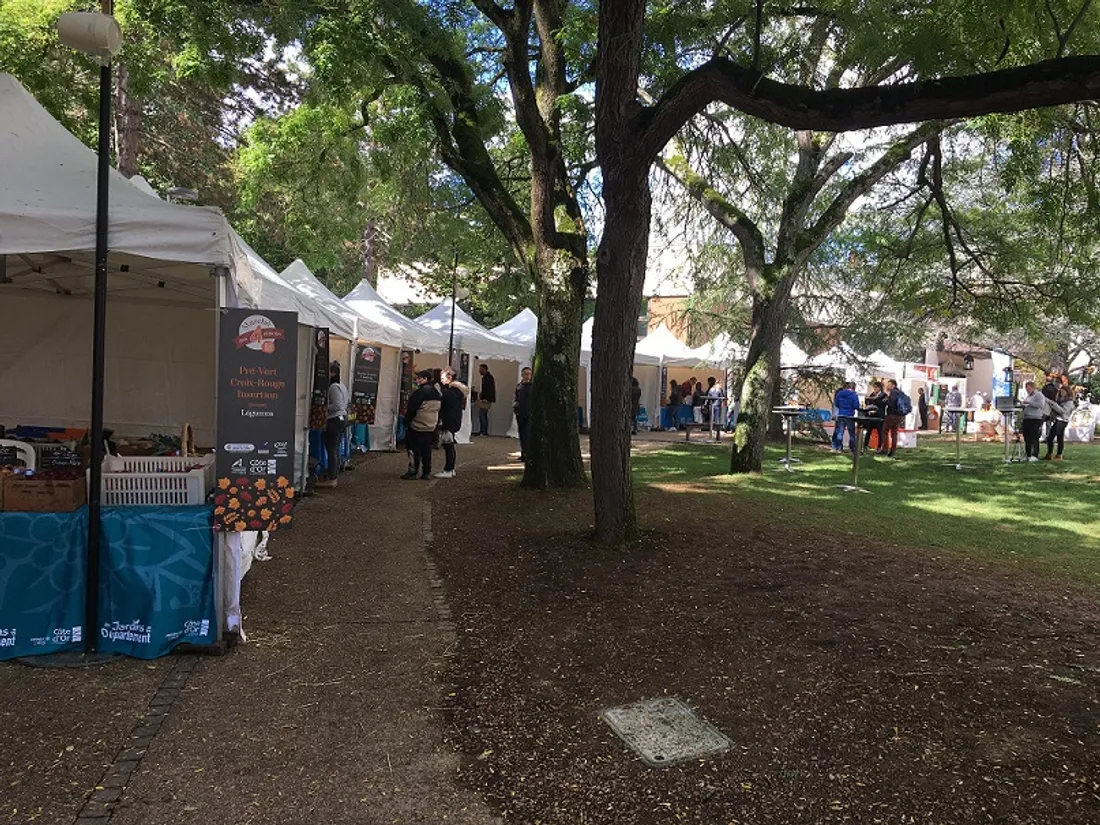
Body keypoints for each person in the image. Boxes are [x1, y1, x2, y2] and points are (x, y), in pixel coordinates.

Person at [401, 370, 442, 479]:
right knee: (426, 450)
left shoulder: (419, 392)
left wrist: (406, 421)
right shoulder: (436, 392)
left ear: (426, 379)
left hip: (417, 425)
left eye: (420, 378)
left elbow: (412, 409)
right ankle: (426, 472)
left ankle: (413, 471)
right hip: (430, 425)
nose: (417, 380)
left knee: (414, 449)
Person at [316, 361, 349, 489]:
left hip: (335, 419)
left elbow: (337, 405)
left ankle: (332, 478)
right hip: (341, 419)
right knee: (334, 449)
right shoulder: (342, 385)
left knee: (331, 450)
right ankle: (333, 473)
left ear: (333, 373)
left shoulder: (334, 387)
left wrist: (322, 407)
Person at [435, 367, 468, 478]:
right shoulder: (457, 392)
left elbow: (448, 410)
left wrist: (445, 423)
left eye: (442, 377)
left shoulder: (450, 393)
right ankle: (451, 468)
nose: (441, 380)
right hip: (454, 421)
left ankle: (448, 469)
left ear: (449, 377)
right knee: (449, 445)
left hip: (449, 422)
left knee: (448, 445)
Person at [1020, 380, 1051, 462]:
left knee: (1034, 437)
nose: (1027, 390)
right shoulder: (1029, 396)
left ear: (1033, 387)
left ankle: (1035, 455)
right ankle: (1028, 454)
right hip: (1027, 418)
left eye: (1029, 388)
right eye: (1026, 389)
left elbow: (1040, 405)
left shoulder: (1039, 395)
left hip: (1035, 418)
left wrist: (1029, 402)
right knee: (1027, 438)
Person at [1043, 383, 1075, 461]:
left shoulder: (1069, 402)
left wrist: (1053, 404)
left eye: (1064, 391)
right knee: (1050, 438)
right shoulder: (1060, 400)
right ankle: (1049, 454)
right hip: (1057, 420)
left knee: (1059, 438)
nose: (1062, 393)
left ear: (1068, 392)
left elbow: (1063, 411)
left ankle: (1059, 455)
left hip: (1062, 420)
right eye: (1061, 391)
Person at [880, 378, 907, 458]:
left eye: (889, 384)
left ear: (893, 385)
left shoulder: (893, 392)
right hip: (899, 416)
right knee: (894, 432)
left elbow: (891, 403)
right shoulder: (901, 392)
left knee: (884, 430)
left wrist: (886, 401)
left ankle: (885, 448)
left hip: (892, 414)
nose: (887, 386)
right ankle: (893, 449)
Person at [831, 381, 860, 453]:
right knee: (852, 433)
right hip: (849, 415)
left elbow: (836, 403)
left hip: (841, 414)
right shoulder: (854, 395)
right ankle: (852, 449)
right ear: (854, 388)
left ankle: (839, 448)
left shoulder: (840, 393)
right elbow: (856, 406)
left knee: (840, 432)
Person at [513, 366, 533, 461]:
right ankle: (523, 452)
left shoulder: (532, 386)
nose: (527, 376)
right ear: (522, 375)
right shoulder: (519, 386)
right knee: (521, 433)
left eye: (529, 374)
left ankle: (527, 453)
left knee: (527, 433)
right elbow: (516, 397)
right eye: (525, 374)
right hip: (520, 412)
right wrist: (515, 406)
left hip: (529, 413)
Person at [864, 380, 887, 452]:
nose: (875, 389)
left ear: (880, 388)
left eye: (876, 387)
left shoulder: (884, 395)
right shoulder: (872, 394)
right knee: (869, 431)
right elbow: (868, 403)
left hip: (879, 416)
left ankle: (879, 446)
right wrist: (867, 400)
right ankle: (865, 446)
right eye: (874, 387)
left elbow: (883, 404)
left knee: (880, 431)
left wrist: (875, 399)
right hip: (871, 416)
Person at [476, 363, 495, 436]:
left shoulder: (488, 378)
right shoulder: (487, 377)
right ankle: (483, 431)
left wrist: (486, 398)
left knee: (482, 414)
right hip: (486, 398)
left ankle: (483, 431)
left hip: (486, 399)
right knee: (483, 415)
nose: (479, 371)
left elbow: (489, 390)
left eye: (480, 369)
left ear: (484, 369)